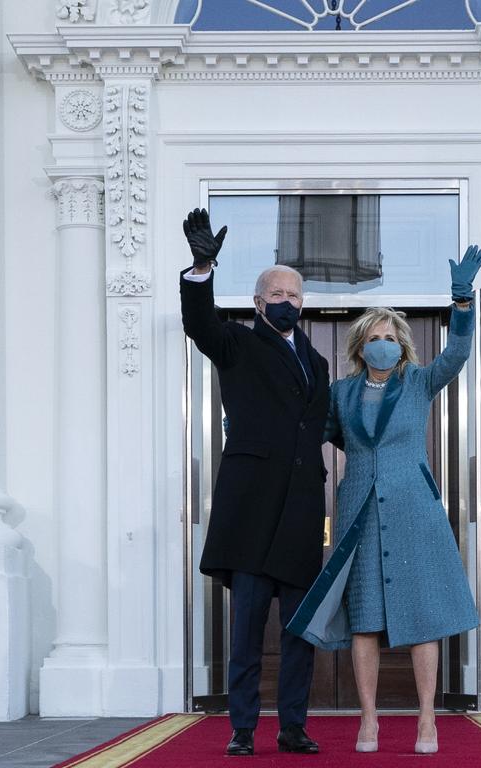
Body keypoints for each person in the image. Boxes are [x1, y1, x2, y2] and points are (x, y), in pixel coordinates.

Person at [288, 245, 481, 755]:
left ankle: (426, 720)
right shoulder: (341, 392)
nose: (382, 344)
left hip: (414, 512)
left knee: (421, 617)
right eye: (373, 338)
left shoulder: (418, 382)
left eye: (389, 338)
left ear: (402, 345)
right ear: (360, 347)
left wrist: (461, 303)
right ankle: (369, 721)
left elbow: (458, 354)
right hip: (358, 513)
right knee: (365, 620)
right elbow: (323, 433)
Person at [180, 209, 331, 756]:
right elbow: (199, 323)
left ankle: (292, 725)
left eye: (294, 293)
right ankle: (243, 729)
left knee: (299, 634)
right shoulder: (237, 344)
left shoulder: (317, 361)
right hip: (249, 516)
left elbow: (324, 426)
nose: (287, 299)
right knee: (244, 635)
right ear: (259, 302)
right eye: (277, 293)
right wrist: (202, 267)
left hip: (298, 518)